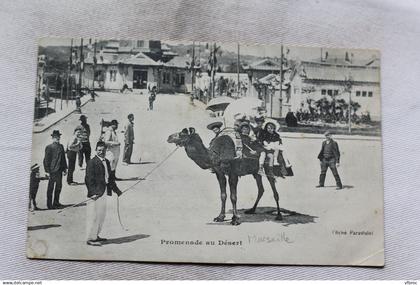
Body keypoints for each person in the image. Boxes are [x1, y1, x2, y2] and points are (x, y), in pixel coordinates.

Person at [85, 141, 122, 246]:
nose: (101, 152)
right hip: (96, 194)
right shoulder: (92, 162)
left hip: (104, 191)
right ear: (96, 150)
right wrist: (93, 193)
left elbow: (110, 179)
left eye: (103, 150)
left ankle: (96, 235)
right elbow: (88, 179)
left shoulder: (106, 162)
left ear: (106, 151)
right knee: (94, 216)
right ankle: (90, 238)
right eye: (99, 150)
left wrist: (117, 191)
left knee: (101, 215)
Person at [43, 130, 67, 209]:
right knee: (50, 187)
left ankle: (56, 202)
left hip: (59, 170)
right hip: (52, 171)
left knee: (59, 187)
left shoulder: (61, 146)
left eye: (58, 137)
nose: (58, 138)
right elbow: (46, 160)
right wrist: (47, 171)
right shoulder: (49, 147)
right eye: (55, 137)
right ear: (52, 138)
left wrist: (65, 168)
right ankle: (49, 205)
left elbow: (63, 158)